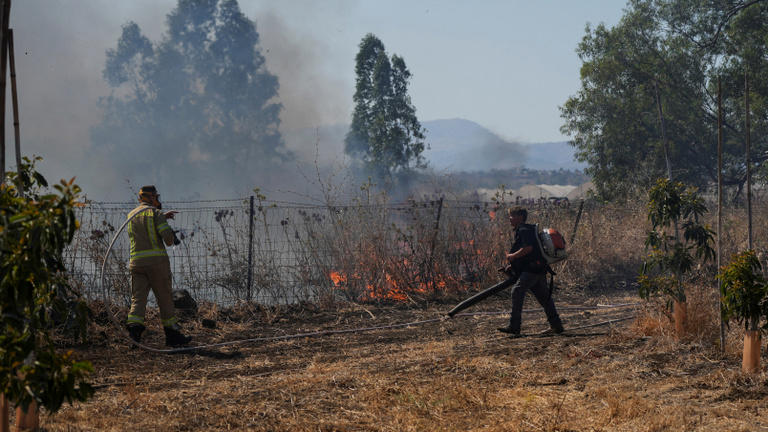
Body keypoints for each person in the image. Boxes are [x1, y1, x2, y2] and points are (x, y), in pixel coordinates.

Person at [125, 185, 192, 347]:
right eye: (156, 197)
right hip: (156, 264)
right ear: (151, 198)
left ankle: (134, 335)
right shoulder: (155, 214)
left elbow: (143, 229)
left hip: (136, 264)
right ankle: (173, 336)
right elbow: (168, 240)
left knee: (138, 300)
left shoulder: (131, 214)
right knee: (165, 299)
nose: (158, 200)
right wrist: (165, 225)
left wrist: (161, 217)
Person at [497, 207, 564, 337]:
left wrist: (512, 256)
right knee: (545, 298)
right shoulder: (526, 230)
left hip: (532, 270)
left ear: (520, 217)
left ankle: (514, 326)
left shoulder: (523, 230)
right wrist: (512, 266)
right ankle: (557, 326)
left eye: (512, 216)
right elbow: (528, 252)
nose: (509, 219)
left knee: (517, 291)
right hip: (538, 269)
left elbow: (528, 248)